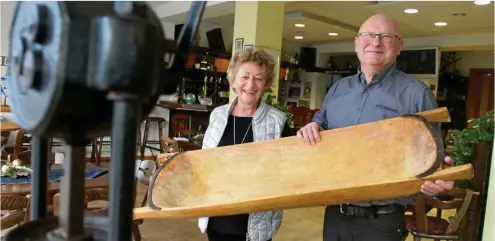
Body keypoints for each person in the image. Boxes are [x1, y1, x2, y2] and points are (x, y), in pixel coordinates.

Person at [296, 14, 454, 241]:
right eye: (369, 35)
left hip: (383, 221)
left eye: (386, 36)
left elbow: (433, 152)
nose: (376, 42)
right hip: (335, 214)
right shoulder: (338, 89)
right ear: (357, 42)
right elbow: (320, 124)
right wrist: (312, 126)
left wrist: (442, 175)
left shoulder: (417, 94)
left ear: (399, 46)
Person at [169, 48, 293, 241]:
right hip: (217, 215)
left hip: (255, 221)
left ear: (266, 84)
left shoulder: (278, 121)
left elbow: (289, 169)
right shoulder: (217, 115)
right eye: (245, 76)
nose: (250, 84)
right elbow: (205, 162)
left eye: (259, 78)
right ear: (233, 80)